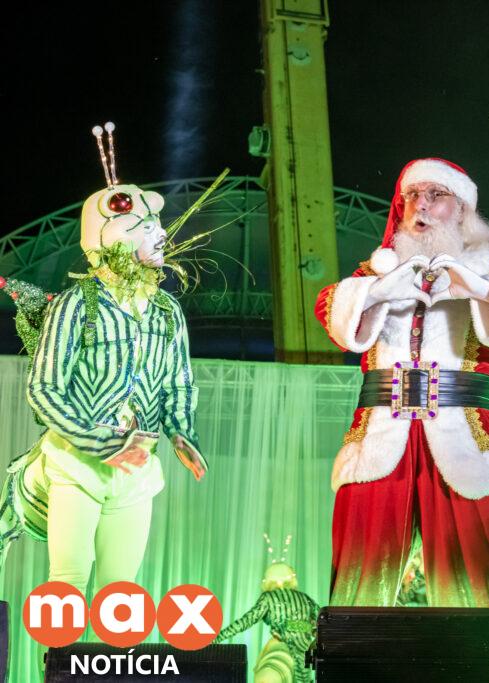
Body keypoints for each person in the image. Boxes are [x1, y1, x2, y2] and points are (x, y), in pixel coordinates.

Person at [314, 158, 489, 656]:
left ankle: (477, 664)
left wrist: (478, 287)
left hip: (466, 440)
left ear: (463, 209)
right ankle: (353, 665)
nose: (420, 206)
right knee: (359, 585)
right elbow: (329, 309)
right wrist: (380, 289)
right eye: (412, 195)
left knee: (474, 587)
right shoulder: (379, 269)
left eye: (436, 195)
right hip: (381, 438)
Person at [0, 122, 207, 596]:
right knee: (68, 582)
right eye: (145, 228)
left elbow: (178, 383)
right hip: (77, 465)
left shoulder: (166, 310)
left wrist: (182, 433)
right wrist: (100, 441)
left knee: (122, 590)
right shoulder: (77, 304)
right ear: (112, 240)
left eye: (157, 227)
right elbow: (43, 388)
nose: (160, 236)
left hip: (137, 470)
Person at [213, 537, 319, 683]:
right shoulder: (305, 598)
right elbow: (321, 625)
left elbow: (245, 622)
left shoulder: (268, 598)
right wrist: (306, 629)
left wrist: (217, 638)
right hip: (304, 655)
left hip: (279, 646)